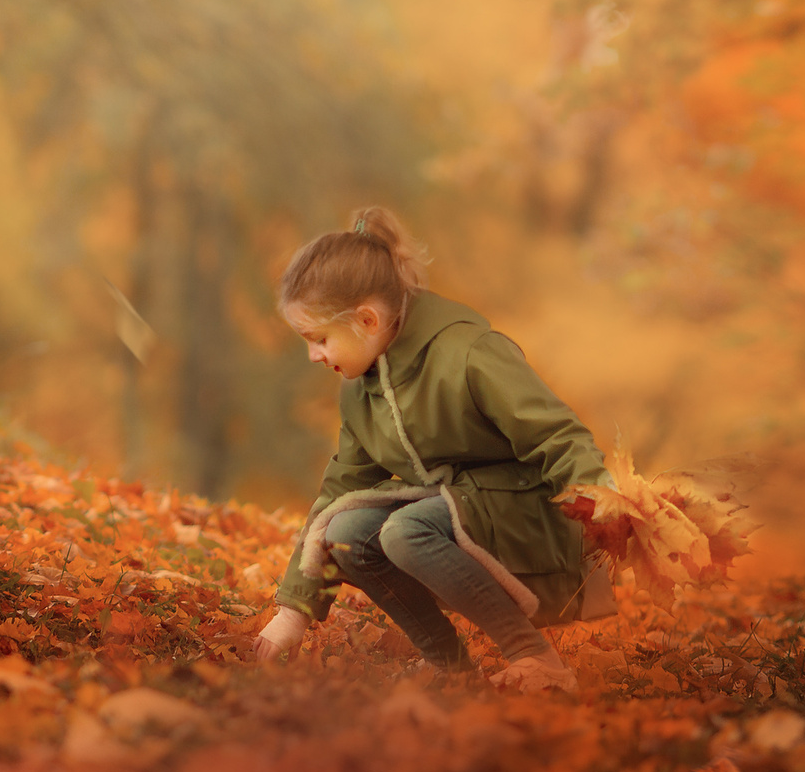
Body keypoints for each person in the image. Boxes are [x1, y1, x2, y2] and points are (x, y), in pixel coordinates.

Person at [252, 207, 609, 692]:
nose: (314, 355)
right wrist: (294, 610)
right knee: (345, 531)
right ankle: (449, 666)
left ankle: (537, 658)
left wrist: (602, 506)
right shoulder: (362, 388)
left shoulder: (468, 352)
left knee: (404, 530)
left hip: (533, 527)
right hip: (459, 518)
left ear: (366, 319)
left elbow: (556, 435)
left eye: (318, 339)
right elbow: (340, 490)